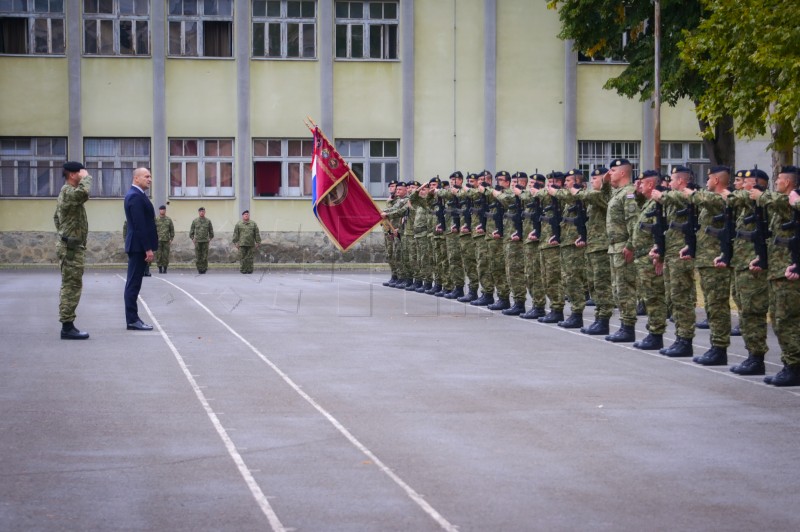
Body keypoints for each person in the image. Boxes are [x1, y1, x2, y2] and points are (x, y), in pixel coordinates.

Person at [54, 161, 92, 340]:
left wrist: (65, 234)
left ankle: (68, 324)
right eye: (81, 172)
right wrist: (87, 178)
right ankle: (67, 327)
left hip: (70, 245)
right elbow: (83, 193)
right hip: (71, 248)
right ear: (72, 174)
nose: (83, 174)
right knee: (71, 286)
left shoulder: (66, 192)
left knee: (71, 285)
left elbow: (56, 218)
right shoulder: (68, 191)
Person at [605, 158, 640, 343]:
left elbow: (634, 223)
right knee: (618, 289)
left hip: (623, 248)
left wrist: (630, 246)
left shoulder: (629, 194)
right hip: (615, 248)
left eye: (613, 170)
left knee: (625, 288)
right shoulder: (617, 193)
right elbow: (601, 188)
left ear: (623, 173)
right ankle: (624, 325)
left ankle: (628, 327)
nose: (609, 174)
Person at [123, 167, 158, 331]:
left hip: (138, 246)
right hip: (138, 247)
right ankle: (132, 320)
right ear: (136, 178)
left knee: (135, 284)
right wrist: (148, 248)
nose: (149, 179)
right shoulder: (135, 196)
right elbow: (139, 226)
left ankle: (133, 318)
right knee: (133, 284)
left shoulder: (138, 195)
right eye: (146, 176)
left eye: (150, 176)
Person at [232, 210, 262, 274]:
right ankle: (243, 270)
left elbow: (256, 233)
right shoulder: (238, 224)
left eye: (247, 214)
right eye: (245, 214)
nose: (246, 215)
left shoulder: (253, 224)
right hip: (242, 244)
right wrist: (235, 243)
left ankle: (249, 270)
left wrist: (258, 242)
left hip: (251, 244)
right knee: (242, 257)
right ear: (242, 216)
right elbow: (236, 234)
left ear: (249, 215)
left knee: (250, 258)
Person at [190, 207, 214, 274]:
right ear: (198, 212)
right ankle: (199, 269)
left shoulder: (208, 221)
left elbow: (211, 232)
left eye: (203, 211)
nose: (202, 212)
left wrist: (209, 239)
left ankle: (204, 269)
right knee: (198, 256)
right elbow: (191, 231)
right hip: (197, 241)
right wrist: (193, 239)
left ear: (205, 212)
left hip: (205, 241)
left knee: (205, 256)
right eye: (200, 211)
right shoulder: (195, 221)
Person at [155, 205, 175, 273]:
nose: (162, 211)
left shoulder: (168, 220)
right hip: (158, 240)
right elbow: (153, 230)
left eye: (163, 209)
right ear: (159, 210)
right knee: (159, 255)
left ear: (165, 211)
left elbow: (172, 230)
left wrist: (171, 238)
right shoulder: (156, 220)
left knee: (166, 255)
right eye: (161, 209)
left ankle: (165, 268)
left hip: (166, 240)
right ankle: (160, 268)